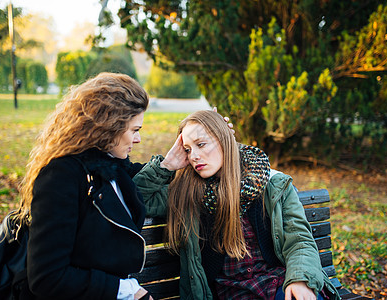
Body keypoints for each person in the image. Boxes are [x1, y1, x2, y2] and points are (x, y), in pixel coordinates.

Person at [133, 110, 341, 300]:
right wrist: (168, 164)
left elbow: (299, 239)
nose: (194, 155)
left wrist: (300, 279)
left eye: (201, 144)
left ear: (225, 141)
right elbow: (136, 198)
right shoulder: (185, 192)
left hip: (280, 283)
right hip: (232, 293)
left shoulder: (270, 183)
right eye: (187, 149)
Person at [13, 72, 153, 300]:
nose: (138, 140)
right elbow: (46, 277)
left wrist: (211, 136)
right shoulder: (61, 177)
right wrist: (126, 290)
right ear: (109, 126)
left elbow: (143, 175)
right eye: (134, 130)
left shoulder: (110, 164)